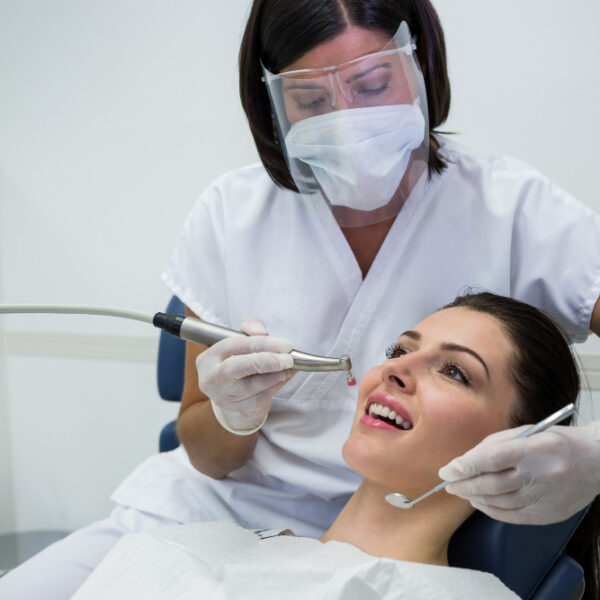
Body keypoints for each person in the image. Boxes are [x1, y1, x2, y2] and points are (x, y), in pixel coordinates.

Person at [2, 1, 599, 598]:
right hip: (205, 521)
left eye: (371, 83)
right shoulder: (232, 214)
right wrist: (235, 413)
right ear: (271, 101)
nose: (347, 117)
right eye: (311, 102)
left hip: (374, 545)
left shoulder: (515, 210)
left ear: (421, 62)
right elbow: (208, 453)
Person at [71, 293, 599, 599]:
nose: (395, 368)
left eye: (455, 372)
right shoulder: (232, 546)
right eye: (399, 349)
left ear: (520, 445)